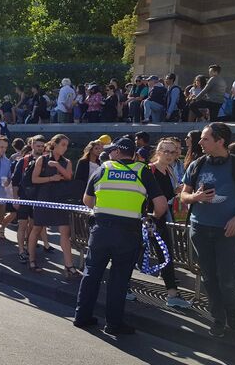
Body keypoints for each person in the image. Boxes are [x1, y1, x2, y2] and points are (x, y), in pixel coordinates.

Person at [74, 137, 168, 335]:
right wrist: (151, 217)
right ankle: (114, 325)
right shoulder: (142, 171)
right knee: (119, 280)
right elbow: (161, 206)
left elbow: (87, 200)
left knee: (91, 274)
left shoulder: (103, 168)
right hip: (127, 233)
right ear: (133, 154)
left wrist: (104, 209)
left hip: (100, 231)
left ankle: (82, 317)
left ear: (117, 151)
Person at [181, 122, 235, 337]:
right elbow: (183, 195)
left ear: (220, 141)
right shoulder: (197, 164)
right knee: (209, 277)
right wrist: (195, 197)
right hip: (200, 228)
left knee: (227, 278)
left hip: (226, 231)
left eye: (205, 138)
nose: (200, 142)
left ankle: (232, 311)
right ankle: (218, 318)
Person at [148, 139, 192, 308]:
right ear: (158, 152)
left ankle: (172, 294)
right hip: (149, 219)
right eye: (165, 151)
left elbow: (165, 194)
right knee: (137, 255)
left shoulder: (169, 171)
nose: (169, 155)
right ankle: (125, 287)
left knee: (165, 255)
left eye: (172, 152)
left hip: (159, 219)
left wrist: (176, 192)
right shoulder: (150, 170)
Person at [27, 134, 77, 276]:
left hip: (60, 199)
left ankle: (69, 265)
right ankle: (31, 260)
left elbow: (68, 176)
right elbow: (34, 179)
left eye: (66, 145)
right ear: (54, 144)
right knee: (37, 228)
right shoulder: (41, 159)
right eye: (63, 145)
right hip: (43, 198)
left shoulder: (66, 162)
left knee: (64, 232)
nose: (65, 148)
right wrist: (51, 178)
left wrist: (56, 166)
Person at [11, 135, 48, 264]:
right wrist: (15, 198)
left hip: (39, 199)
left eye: (42, 146)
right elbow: (15, 182)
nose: (40, 148)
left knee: (34, 227)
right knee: (22, 225)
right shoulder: (23, 161)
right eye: (38, 146)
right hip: (24, 197)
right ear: (32, 146)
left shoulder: (47, 161)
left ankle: (29, 248)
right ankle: (21, 251)